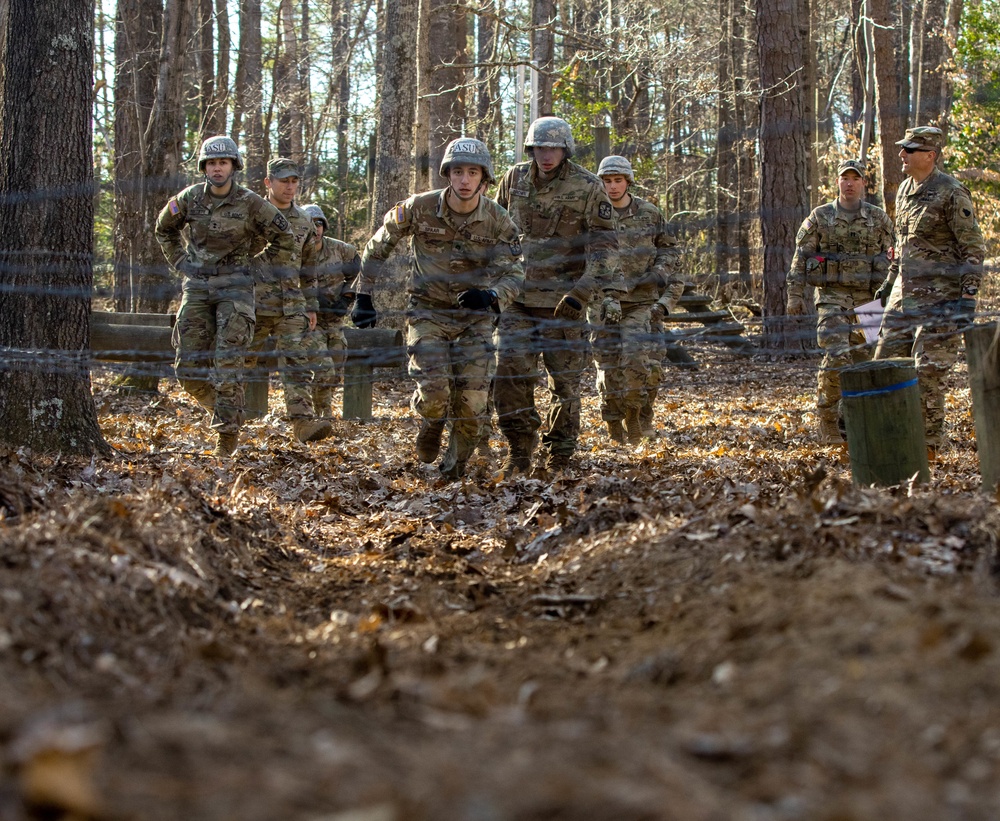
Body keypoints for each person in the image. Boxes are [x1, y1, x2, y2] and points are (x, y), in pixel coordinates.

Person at [353, 138, 524, 479]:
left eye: (472, 173)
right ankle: (432, 423)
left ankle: (452, 473)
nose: (464, 180)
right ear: (447, 174)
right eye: (457, 171)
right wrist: (364, 295)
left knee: (474, 406)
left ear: (484, 178)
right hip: (427, 312)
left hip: (474, 319)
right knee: (435, 395)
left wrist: (491, 295)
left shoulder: (498, 220)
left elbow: (516, 271)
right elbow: (378, 246)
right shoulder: (419, 207)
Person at [494, 116, 620, 476]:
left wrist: (582, 293)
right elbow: (497, 232)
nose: (546, 155)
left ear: (565, 149)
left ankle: (559, 455)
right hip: (516, 299)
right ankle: (519, 450)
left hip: (564, 303)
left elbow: (606, 247)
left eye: (553, 148)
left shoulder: (588, 186)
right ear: (531, 149)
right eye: (539, 148)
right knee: (510, 377)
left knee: (564, 385)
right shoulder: (514, 179)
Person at [155, 135, 296, 456]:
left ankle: (226, 437)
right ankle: (223, 410)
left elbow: (284, 237)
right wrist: (181, 263)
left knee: (228, 362)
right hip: (198, 286)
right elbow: (164, 229)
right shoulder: (190, 198)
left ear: (233, 166)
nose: (217, 168)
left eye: (223, 162)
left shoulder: (250, 203)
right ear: (204, 167)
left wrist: (254, 268)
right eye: (212, 163)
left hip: (236, 289)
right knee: (187, 371)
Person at [874, 126, 986, 459]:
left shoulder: (951, 192)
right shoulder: (905, 189)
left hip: (942, 302)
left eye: (909, 149)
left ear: (930, 155)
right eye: (903, 148)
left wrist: (968, 298)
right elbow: (901, 246)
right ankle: (890, 444)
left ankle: (930, 452)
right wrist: (887, 284)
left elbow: (973, 248)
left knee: (928, 378)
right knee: (884, 369)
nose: (901, 155)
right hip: (901, 301)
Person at [786, 159, 895, 444]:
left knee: (864, 361)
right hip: (831, 298)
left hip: (868, 300)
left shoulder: (879, 219)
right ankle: (828, 420)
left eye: (855, 179)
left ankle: (851, 421)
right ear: (837, 182)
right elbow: (801, 258)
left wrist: (894, 297)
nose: (849, 183)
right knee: (837, 355)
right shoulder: (820, 217)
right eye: (844, 178)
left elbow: (894, 261)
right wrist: (795, 295)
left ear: (863, 184)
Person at [593, 155, 684, 445]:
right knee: (607, 367)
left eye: (618, 180)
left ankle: (636, 415)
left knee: (637, 360)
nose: (613, 186)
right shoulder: (592, 214)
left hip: (641, 301)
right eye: (607, 181)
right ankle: (613, 424)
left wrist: (659, 273)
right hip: (602, 301)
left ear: (628, 181)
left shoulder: (649, 213)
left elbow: (671, 250)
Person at [243, 158, 333, 445]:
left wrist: (311, 306)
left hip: (291, 305)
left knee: (296, 362)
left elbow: (309, 268)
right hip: (253, 302)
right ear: (268, 183)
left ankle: (303, 423)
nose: (290, 186)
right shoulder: (253, 215)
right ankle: (227, 422)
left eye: (294, 181)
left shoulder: (305, 221)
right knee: (240, 361)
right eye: (284, 181)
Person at [300, 204, 360, 419]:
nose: (315, 229)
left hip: (334, 319)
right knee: (324, 367)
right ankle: (322, 413)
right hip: (307, 321)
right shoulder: (295, 251)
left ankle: (321, 406)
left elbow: (358, 272)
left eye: (319, 224)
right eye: (310, 224)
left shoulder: (341, 250)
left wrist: (347, 297)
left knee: (336, 362)